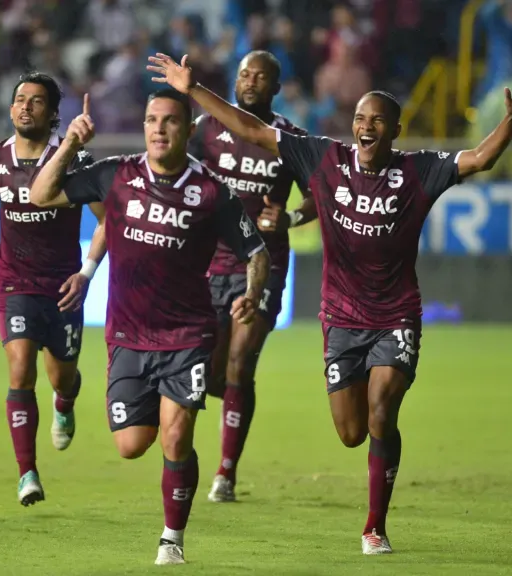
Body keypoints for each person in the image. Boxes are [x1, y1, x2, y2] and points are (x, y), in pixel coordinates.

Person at [147, 53, 512, 555]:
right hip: (340, 318)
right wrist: (193, 89)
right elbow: (251, 129)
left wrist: (510, 119)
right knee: (350, 432)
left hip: (395, 315)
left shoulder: (419, 172)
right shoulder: (323, 158)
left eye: (377, 120)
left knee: (383, 411)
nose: (366, 126)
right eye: (360, 118)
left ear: (396, 130)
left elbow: (479, 158)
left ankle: (375, 526)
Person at [29, 89, 270, 565]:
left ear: (186, 130)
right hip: (128, 335)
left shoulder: (211, 192)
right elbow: (41, 194)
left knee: (177, 435)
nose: (159, 128)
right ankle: (164, 440)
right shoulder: (117, 175)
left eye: (170, 121)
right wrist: (70, 145)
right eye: (151, 120)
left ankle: (172, 539)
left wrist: (252, 292)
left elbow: (256, 251)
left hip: (188, 335)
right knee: (131, 446)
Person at [0, 72, 106, 507]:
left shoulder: (73, 161)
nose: (25, 107)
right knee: (20, 369)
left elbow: (107, 218)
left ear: (54, 113)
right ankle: (27, 474)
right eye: (19, 99)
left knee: (64, 376)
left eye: (36, 102)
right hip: (14, 281)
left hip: (62, 287)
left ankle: (65, 401)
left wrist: (87, 272)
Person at [186, 50, 316, 503]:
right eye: (244, 74)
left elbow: (321, 193)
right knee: (209, 375)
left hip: (264, 263)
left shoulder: (289, 138)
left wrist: (292, 219)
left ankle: (225, 473)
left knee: (242, 362)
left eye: (261, 76)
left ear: (276, 87)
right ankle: (233, 407)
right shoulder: (204, 132)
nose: (251, 81)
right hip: (209, 263)